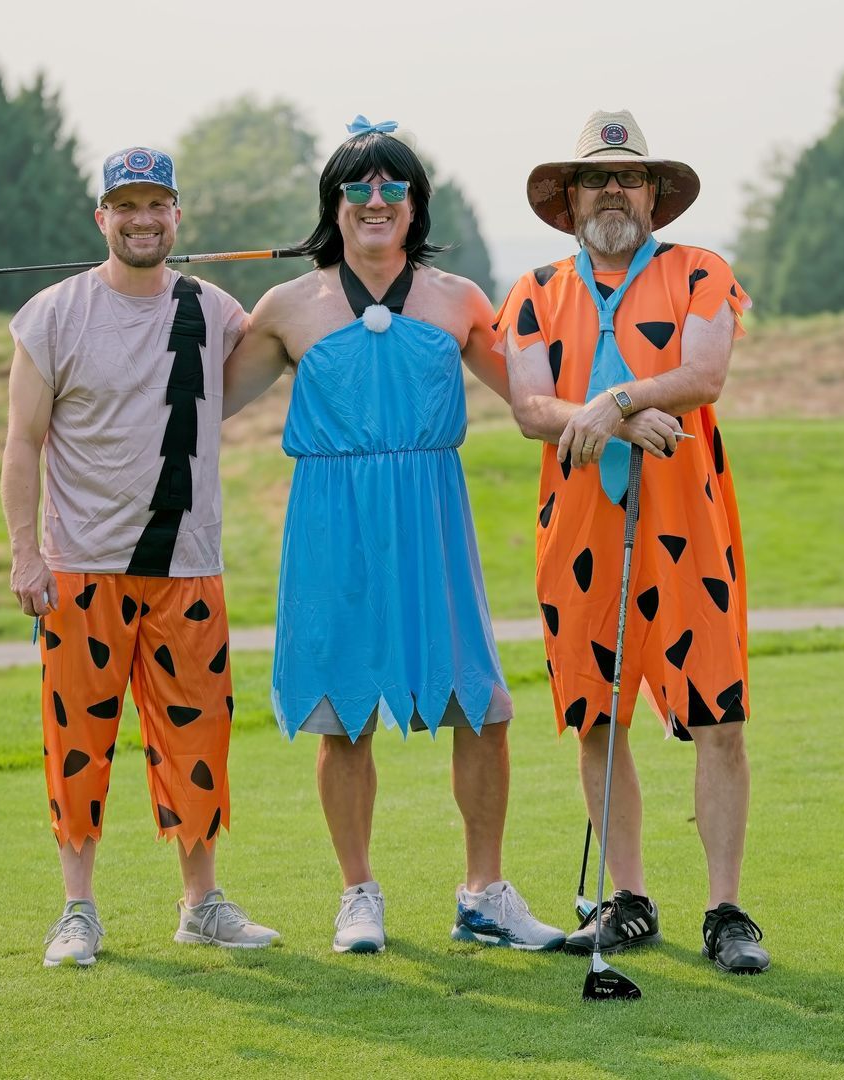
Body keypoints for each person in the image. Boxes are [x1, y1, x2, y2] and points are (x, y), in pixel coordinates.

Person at [224, 118, 565, 955]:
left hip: (430, 514)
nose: (376, 200)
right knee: (343, 715)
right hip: (331, 519)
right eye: (358, 187)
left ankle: (484, 892)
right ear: (333, 205)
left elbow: (533, 405)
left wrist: (618, 409)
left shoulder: (459, 301)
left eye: (393, 187)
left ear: (415, 206)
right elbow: (202, 405)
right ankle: (358, 895)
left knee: (480, 705)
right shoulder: (287, 308)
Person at [498, 110, 769, 975]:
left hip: (686, 523)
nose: (613, 192)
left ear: (654, 194)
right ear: (569, 198)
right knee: (596, 715)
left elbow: (704, 374)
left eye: (630, 177)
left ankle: (726, 912)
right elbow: (532, 407)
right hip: (578, 526)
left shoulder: (699, 271)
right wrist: (614, 423)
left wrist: (615, 401)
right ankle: (629, 900)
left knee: (716, 714)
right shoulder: (537, 288)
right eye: (595, 179)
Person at [4, 146, 280, 968]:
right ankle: (77, 910)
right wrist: (26, 557)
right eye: (126, 206)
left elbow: (284, 341)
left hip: (187, 567)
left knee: (199, 739)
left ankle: (202, 903)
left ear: (176, 217)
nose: (142, 219)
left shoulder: (211, 308)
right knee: (78, 742)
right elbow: (21, 444)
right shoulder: (51, 315)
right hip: (80, 568)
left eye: (156, 205)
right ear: (103, 217)